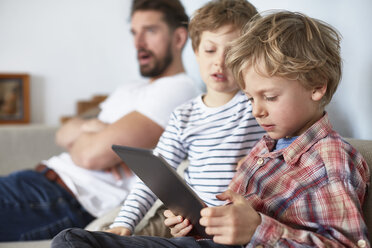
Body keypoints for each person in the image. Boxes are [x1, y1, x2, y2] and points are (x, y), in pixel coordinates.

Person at [52, 10, 370, 248]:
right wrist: (202, 225)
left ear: (317, 87)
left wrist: (257, 229)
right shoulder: (265, 147)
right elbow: (234, 222)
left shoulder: (330, 158)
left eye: (269, 97)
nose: (257, 110)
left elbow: (346, 245)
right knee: (73, 240)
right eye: (250, 97)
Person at [58, 0, 265, 240]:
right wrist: (124, 222)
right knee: (87, 239)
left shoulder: (256, 104)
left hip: (233, 224)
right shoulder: (183, 116)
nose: (219, 62)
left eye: (232, 52)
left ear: (249, 55)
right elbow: (152, 178)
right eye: (210, 50)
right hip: (188, 219)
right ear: (196, 52)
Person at [0, 0, 199, 242]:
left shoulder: (178, 90)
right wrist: (97, 129)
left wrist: (91, 137)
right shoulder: (129, 89)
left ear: (179, 38)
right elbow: (62, 134)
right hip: (38, 181)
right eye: (134, 33)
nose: (138, 43)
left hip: (65, 198)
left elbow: (89, 156)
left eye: (150, 30)